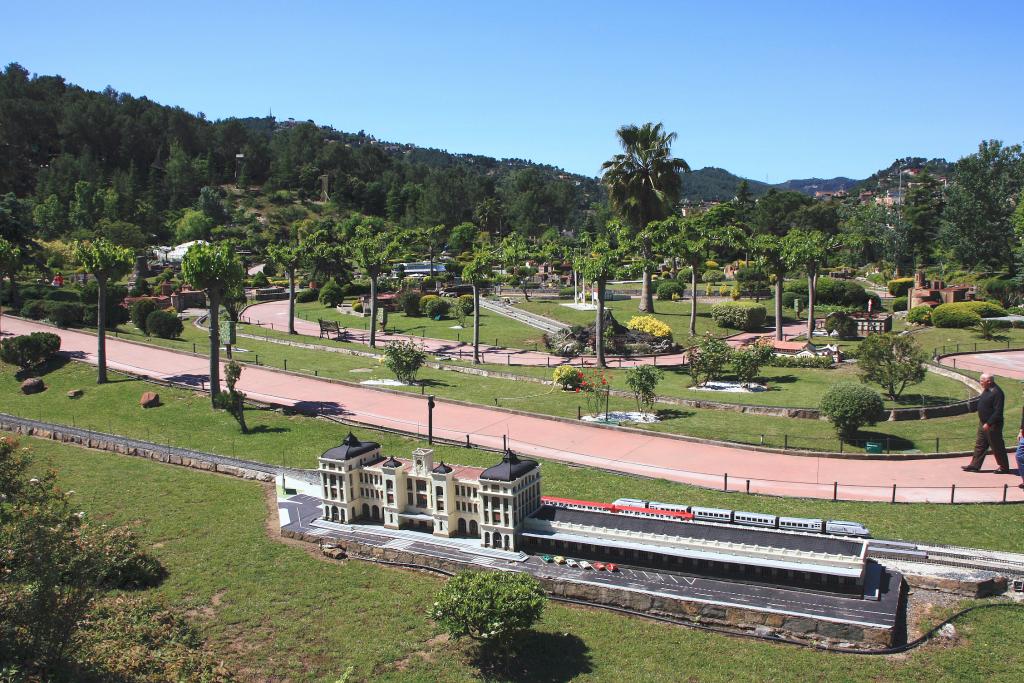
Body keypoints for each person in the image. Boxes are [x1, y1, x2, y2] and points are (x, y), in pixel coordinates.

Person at [963, 373, 1012, 473]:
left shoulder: (997, 393)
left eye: (982, 381)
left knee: (997, 446)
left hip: (993, 425)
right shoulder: (987, 389)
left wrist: (989, 423)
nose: (980, 382)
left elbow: (998, 412)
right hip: (983, 423)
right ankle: (974, 465)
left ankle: (1004, 467)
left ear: (989, 381)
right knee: (980, 444)